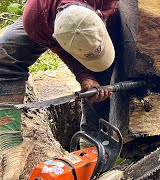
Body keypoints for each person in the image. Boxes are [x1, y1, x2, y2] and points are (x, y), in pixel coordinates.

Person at [0, 0, 120, 175]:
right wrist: (83, 75)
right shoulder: (36, 19)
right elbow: (60, 49)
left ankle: (94, 149)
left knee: (100, 80)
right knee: (6, 54)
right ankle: (7, 136)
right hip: (47, 19)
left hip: (101, 17)